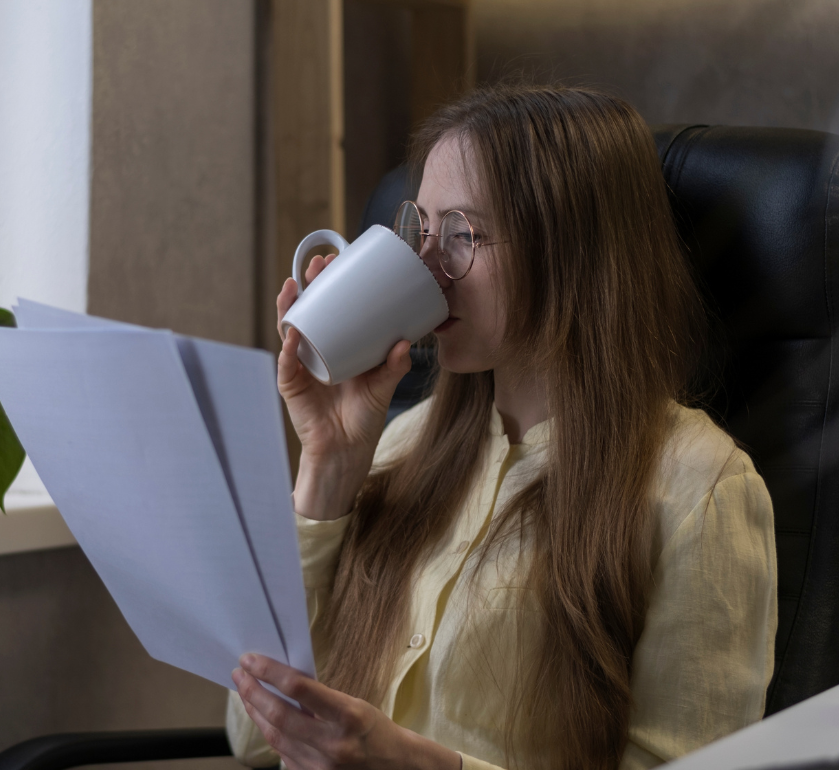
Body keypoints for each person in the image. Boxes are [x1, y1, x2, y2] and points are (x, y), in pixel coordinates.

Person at [226, 84, 777, 770]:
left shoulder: (700, 488)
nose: (426, 266)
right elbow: (250, 739)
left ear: (575, 251)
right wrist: (327, 467)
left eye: (463, 234)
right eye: (421, 230)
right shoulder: (399, 443)